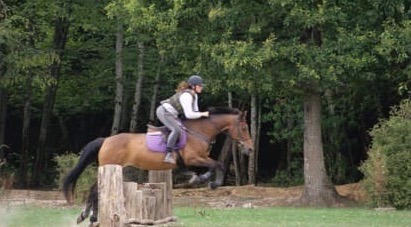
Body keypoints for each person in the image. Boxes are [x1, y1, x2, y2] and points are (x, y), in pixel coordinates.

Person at [156, 75, 209, 164]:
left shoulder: (194, 95)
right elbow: (189, 115)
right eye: (200, 86)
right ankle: (168, 154)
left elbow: (195, 112)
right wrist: (203, 114)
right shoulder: (186, 96)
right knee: (176, 130)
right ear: (193, 86)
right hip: (164, 112)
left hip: (172, 114)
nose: (202, 87)